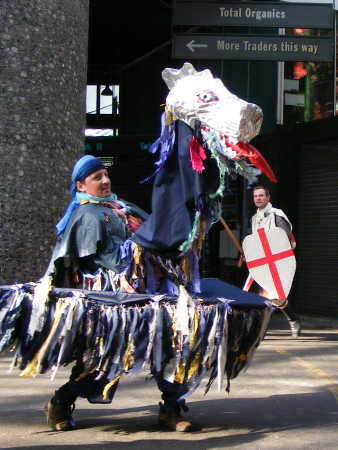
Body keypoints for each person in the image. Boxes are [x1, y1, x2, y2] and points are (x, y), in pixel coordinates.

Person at [44, 154, 192, 433]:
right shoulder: (84, 215)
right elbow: (103, 261)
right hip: (110, 304)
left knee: (168, 348)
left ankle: (172, 409)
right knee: (102, 360)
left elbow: (155, 235)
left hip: (152, 294)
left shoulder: (123, 207)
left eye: (106, 175)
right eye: (96, 177)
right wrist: (132, 262)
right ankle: (61, 401)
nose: (105, 180)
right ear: (80, 186)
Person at [244, 185, 301, 338]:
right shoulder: (255, 218)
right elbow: (256, 240)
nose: (258, 198)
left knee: (276, 297)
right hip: (263, 262)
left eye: (261, 195)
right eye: (256, 196)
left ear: (268, 197)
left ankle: (293, 320)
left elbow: (284, 238)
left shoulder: (277, 214)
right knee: (263, 296)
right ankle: (261, 329)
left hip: (278, 261)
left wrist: (275, 257)